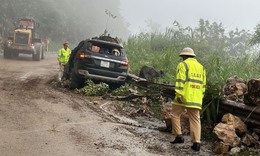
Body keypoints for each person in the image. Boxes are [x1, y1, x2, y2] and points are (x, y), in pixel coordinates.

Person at [170, 47, 206, 152]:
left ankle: (179, 136)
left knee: (175, 114)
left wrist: (179, 95)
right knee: (195, 120)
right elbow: (203, 85)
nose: (182, 58)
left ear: (185, 56)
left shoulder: (183, 65)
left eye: (182, 56)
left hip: (183, 97)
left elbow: (180, 81)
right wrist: (200, 97)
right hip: (196, 98)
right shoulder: (201, 67)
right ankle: (197, 143)